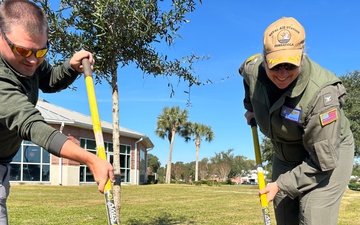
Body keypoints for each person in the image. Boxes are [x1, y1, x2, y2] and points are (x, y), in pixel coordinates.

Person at [0, 1, 114, 223]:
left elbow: (48, 79)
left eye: (41, 51)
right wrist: (90, 159)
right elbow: (32, 125)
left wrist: (71, 67)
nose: (33, 60)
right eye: (22, 50)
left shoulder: (27, 59)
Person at [239, 17, 354, 225]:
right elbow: (248, 80)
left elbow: (323, 161)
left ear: (302, 57)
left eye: (290, 65)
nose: (282, 74)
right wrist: (251, 108)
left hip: (327, 154)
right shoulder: (252, 69)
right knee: (284, 210)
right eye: (275, 66)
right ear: (264, 59)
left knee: (313, 215)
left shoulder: (322, 95)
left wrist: (281, 184)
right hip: (286, 151)